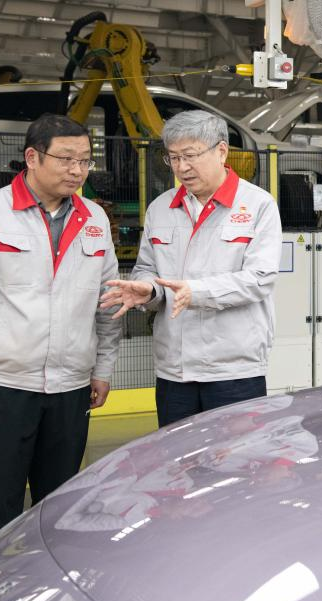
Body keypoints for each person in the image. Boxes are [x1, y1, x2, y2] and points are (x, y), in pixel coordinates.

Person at [0, 114, 121, 545]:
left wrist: (102, 368)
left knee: (58, 509)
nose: (77, 170)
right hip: (4, 385)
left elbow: (108, 300)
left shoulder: (94, 217)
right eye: (66, 159)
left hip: (71, 387)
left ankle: (50, 583)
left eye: (85, 161)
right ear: (32, 157)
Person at [101, 110, 282, 427]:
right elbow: (147, 268)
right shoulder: (161, 208)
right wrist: (149, 291)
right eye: (173, 158)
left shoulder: (258, 205)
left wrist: (195, 292)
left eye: (190, 156)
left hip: (233, 370)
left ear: (221, 151)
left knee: (236, 454)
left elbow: (260, 279)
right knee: (177, 456)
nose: (181, 167)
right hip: (175, 369)